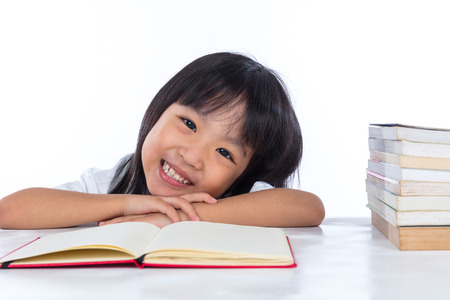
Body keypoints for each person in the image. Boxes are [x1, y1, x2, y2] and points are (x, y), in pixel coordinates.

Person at [0, 52, 325, 229]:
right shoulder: (114, 182)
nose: (192, 156)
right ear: (158, 110)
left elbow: (309, 208)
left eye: (225, 152)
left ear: (242, 175)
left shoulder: (238, 197)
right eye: (188, 123)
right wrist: (130, 205)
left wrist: (171, 218)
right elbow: (10, 212)